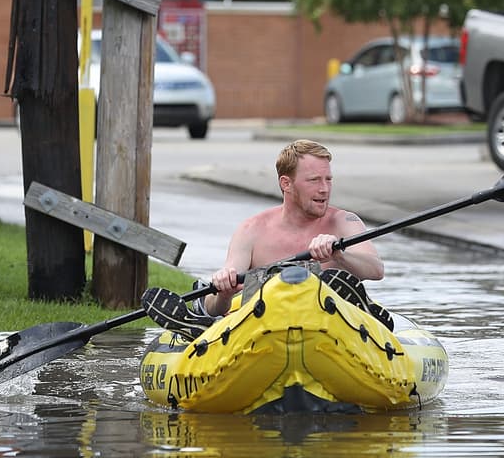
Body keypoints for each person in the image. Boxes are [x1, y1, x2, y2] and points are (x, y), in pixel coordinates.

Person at [142, 139, 387, 337]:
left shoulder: (344, 222)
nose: (324, 188)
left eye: (328, 179)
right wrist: (224, 291)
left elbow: (375, 270)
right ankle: (201, 327)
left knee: (330, 286)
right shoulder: (252, 230)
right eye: (314, 180)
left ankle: (361, 319)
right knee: (223, 309)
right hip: (264, 330)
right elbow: (217, 305)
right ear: (286, 183)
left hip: (327, 325)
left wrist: (339, 255)